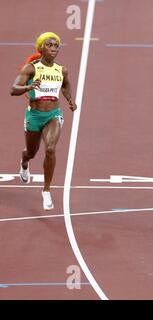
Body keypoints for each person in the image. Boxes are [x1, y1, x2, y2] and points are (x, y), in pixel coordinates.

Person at [10, 32, 77, 210]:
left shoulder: (61, 70)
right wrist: (28, 87)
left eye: (56, 45)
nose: (54, 48)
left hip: (53, 115)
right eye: (49, 45)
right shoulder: (31, 68)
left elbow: (65, 85)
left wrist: (70, 99)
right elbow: (13, 89)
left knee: (50, 148)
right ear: (41, 48)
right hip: (34, 116)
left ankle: (46, 190)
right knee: (31, 152)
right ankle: (24, 163)